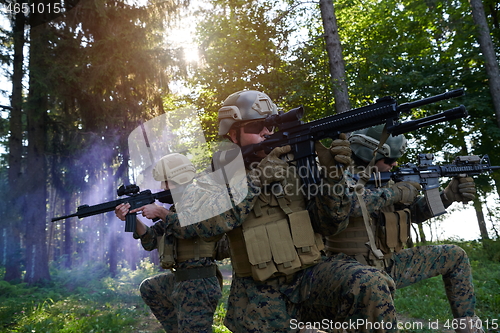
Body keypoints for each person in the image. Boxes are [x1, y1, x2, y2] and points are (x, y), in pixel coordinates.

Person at [161, 90, 427, 332]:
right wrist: (256, 181)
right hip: (258, 292)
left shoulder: (298, 165)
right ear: (233, 134)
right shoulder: (217, 177)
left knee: (371, 283)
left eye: (271, 124)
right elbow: (200, 226)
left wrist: (333, 177)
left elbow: (331, 224)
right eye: (256, 126)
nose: (266, 132)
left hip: (311, 276)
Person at [324, 124, 484, 333]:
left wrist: (447, 197)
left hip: (389, 263)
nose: (394, 164)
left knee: (455, 255)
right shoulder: (336, 173)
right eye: (388, 160)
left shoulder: (388, 180)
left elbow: (413, 214)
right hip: (348, 269)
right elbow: (344, 206)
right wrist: (396, 193)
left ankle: (468, 326)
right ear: (370, 155)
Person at [115, 153, 224, 333]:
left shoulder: (202, 200)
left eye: (166, 182)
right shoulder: (175, 209)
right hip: (181, 279)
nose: (162, 188)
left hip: (199, 282)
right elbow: (150, 240)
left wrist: (159, 212)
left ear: (181, 179)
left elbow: (193, 228)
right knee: (150, 288)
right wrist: (131, 219)